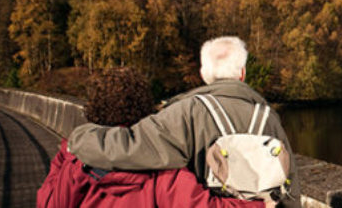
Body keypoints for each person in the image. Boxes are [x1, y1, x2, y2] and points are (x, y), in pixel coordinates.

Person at [68, 36, 300, 207]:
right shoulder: (269, 118)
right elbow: (290, 189)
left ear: (204, 73)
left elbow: (128, 147)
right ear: (242, 74)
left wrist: (81, 136)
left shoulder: (187, 112)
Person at [37, 67, 263, 208]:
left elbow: (48, 203)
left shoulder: (72, 157)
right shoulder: (161, 164)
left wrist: (69, 167)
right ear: (144, 109)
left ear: (93, 110)